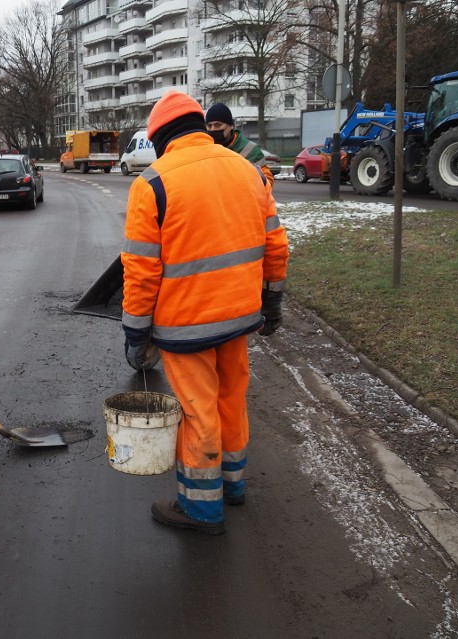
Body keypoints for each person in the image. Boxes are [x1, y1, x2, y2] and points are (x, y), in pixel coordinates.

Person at [121, 92, 289, 535]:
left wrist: (136, 332)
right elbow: (276, 243)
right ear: (200, 126)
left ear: (159, 138)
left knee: (197, 413)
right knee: (231, 399)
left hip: (185, 325)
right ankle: (232, 485)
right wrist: (272, 301)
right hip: (240, 317)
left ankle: (201, 507)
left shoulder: (152, 183)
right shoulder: (250, 171)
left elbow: (140, 271)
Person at [205, 102, 275, 186]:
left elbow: (267, 181)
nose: (213, 129)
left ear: (230, 126)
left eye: (218, 125)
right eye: (209, 126)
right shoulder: (205, 149)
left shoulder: (250, 150)